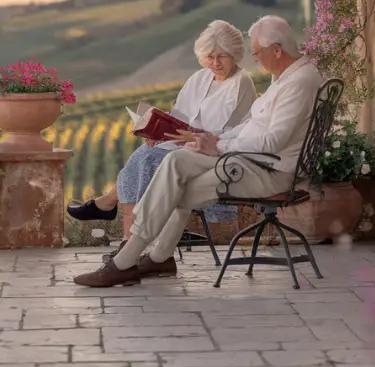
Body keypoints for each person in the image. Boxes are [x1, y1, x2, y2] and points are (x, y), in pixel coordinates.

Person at [74, 15, 322, 287]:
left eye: (257, 53)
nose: (256, 60)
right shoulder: (286, 77)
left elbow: (273, 140)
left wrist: (219, 146)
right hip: (249, 160)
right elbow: (251, 127)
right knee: (177, 161)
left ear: (276, 50)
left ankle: (127, 260)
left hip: (266, 170)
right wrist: (213, 139)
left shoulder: (298, 81)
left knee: (177, 178)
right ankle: (153, 257)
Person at [67, 20, 256, 227]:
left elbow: (232, 132)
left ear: (234, 54)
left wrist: (193, 135)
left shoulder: (241, 82)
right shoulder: (201, 77)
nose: (216, 63)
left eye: (222, 56)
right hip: (184, 142)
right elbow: (181, 115)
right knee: (140, 155)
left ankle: (123, 219)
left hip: (211, 150)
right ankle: (128, 236)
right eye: (210, 57)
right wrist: (157, 131)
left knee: (149, 160)